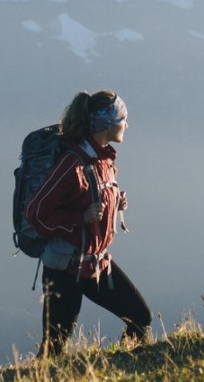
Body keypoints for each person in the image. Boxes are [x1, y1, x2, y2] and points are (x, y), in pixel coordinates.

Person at [25, 90, 151, 357]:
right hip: (65, 270)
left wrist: (115, 202)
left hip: (96, 263)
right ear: (106, 123)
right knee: (53, 350)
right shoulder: (72, 163)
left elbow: (87, 198)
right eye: (122, 119)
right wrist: (79, 220)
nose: (126, 125)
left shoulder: (104, 158)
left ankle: (123, 374)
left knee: (141, 317)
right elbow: (35, 212)